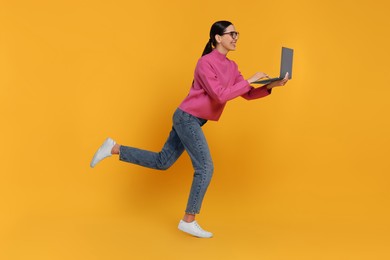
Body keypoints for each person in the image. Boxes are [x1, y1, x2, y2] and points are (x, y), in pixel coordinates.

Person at [90, 20, 289, 238]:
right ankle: (189, 219)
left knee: (162, 161)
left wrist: (271, 86)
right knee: (205, 167)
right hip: (187, 118)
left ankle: (114, 148)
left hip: (194, 120)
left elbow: (247, 94)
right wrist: (251, 79)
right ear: (217, 38)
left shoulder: (231, 67)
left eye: (236, 34)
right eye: (231, 34)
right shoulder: (204, 63)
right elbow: (220, 95)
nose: (235, 38)